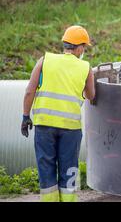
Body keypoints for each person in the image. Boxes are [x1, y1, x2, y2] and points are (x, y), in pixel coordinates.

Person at [21, 25, 95, 202]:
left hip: (44, 126)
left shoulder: (45, 60)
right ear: (78, 47)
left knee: (46, 167)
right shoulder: (85, 67)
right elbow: (92, 96)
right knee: (69, 167)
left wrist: (25, 117)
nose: (83, 50)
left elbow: (29, 91)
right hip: (70, 128)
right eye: (84, 47)